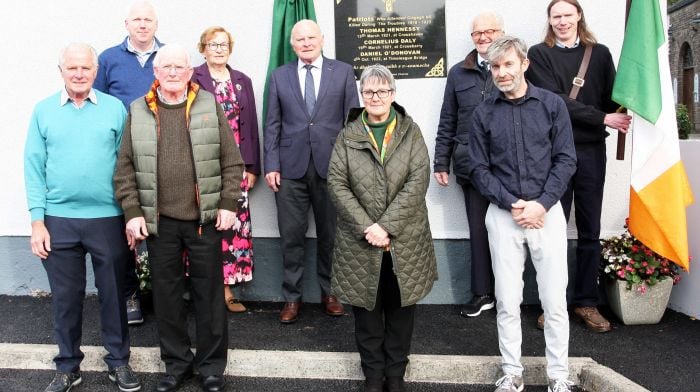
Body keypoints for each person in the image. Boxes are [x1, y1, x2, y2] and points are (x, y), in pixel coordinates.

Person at [113, 44, 244, 392]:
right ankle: (176, 365)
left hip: (204, 220)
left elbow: (232, 161)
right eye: (166, 66)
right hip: (160, 222)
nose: (172, 72)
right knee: (168, 299)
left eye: (179, 67)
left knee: (209, 296)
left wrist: (229, 203)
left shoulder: (207, 104)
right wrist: (132, 212)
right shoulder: (138, 110)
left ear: (189, 73)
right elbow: (124, 168)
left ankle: (212, 368)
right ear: (156, 73)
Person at [24, 43, 141, 392]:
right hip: (58, 220)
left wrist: (129, 216)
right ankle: (67, 365)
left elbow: (128, 165)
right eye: (72, 68)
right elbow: (33, 169)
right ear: (60, 71)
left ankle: (119, 363)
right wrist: (37, 221)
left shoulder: (115, 109)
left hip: (108, 218)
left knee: (113, 295)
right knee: (66, 296)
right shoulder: (43, 111)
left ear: (95, 71)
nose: (79, 74)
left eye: (86, 68)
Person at [467, 37, 577, 392]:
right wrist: (512, 203)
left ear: (524, 64)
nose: (502, 73)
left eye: (508, 65)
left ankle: (559, 375)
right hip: (503, 215)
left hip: (546, 212)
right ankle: (512, 372)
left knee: (555, 300)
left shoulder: (551, 105)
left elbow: (566, 159)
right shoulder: (483, 112)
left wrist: (541, 204)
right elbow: (479, 168)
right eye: (496, 67)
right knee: (508, 300)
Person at [328, 64, 437, 392]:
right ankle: (373, 378)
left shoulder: (410, 130)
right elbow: (336, 182)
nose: (375, 96)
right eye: (369, 91)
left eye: (382, 91)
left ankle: (395, 376)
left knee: (401, 313)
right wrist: (367, 227)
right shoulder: (348, 135)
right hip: (360, 241)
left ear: (393, 94)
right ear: (362, 96)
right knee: (368, 315)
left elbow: (419, 180)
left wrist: (386, 226)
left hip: (405, 240)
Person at [526, 0, 632, 333]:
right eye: (556, 16)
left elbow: (615, 98)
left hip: (590, 152)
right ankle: (552, 303)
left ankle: (587, 301)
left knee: (590, 230)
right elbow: (555, 101)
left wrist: (631, 99)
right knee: (551, 232)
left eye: (567, 15)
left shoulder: (599, 54)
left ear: (578, 17)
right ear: (549, 20)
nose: (561, 21)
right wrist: (603, 118)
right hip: (554, 153)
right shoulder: (538, 55)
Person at [264, 19, 359, 323]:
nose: (306, 43)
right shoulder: (279, 77)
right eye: (300, 39)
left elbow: (353, 122)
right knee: (291, 236)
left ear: (322, 39)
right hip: (290, 169)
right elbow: (272, 124)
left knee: (331, 235)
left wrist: (349, 166)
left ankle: (330, 294)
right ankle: (292, 298)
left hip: (332, 168)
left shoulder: (343, 72)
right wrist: (272, 164)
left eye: (311, 37)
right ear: (292, 44)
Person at [94, 0, 163, 325]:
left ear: (155, 24)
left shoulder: (167, 59)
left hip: (162, 156)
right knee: (126, 227)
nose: (142, 25)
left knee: (163, 226)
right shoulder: (108, 59)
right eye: (137, 19)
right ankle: (129, 293)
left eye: (148, 19)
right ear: (127, 24)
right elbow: (96, 106)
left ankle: (165, 296)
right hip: (121, 155)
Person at [434, 11, 504, 318]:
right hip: (471, 165)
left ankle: (510, 294)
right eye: (478, 33)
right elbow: (448, 118)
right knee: (478, 230)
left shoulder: (512, 68)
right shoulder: (458, 73)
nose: (484, 37)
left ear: (502, 33)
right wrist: (441, 161)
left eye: (490, 31)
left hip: (508, 168)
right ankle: (482, 293)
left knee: (511, 232)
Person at [192, 26, 260, 314]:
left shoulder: (242, 80)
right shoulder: (193, 78)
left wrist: (252, 165)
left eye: (224, 45)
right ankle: (204, 291)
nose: (219, 49)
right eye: (213, 44)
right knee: (204, 226)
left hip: (235, 167)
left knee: (232, 226)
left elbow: (251, 127)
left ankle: (227, 290)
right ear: (203, 48)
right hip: (203, 165)